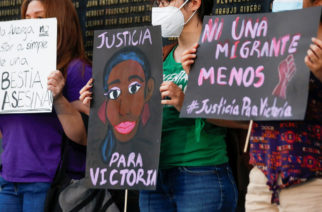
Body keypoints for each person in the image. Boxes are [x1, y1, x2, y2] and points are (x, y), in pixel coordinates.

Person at [81, 0, 247, 211]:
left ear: (194, 3)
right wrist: (99, 105)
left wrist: (186, 103)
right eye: (158, 2)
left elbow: (244, 118)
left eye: (167, 1)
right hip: (153, 177)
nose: (161, 7)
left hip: (202, 173)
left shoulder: (223, 50)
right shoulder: (158, 56)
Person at [0, 0, 92, 211]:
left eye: (40, 18)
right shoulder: (10, 70)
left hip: (49, 182)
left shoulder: (77, 70)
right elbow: (6, 133)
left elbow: (84, 137)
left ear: (61, 23)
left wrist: (59, 98)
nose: (30, 24)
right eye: (27, 17)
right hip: (9, 181)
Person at [245, 0, 322, 211]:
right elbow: (238, 104)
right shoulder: (264, 42)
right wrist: (198, 76)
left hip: (310, 178)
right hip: (262, 175)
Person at [97, 47, 155, 162]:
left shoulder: (152, 146)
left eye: (134, 88)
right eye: (114, 93)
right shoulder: (99, 152)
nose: (124, 110)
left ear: (149, 89)